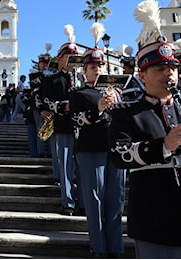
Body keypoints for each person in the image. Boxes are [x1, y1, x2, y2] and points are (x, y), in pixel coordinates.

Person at [108, 38, 181, 258]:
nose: (169, 74)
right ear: (141, 76)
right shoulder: (126, 112)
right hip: (156, 220)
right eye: (160, 69)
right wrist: (164, 145)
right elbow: (118, 155)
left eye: (173, 69)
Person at [70, 47, 126, 257]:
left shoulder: (116, 92)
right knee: (95, 202)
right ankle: (99, 249)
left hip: (115, 150)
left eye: (100, 66)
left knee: (116, 201)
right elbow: (77, 120)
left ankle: (116, 249)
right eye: (93, 66)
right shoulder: (79, 94)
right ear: (85, 71)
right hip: (91, 150)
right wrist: (99, 109)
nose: (98, 69)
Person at [41, 26, 85, 216]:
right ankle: (68, 202)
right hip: (63, 125)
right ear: (60, 60)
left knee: (82, 167)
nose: (72, 59)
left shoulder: (83, 78)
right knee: (66, 166)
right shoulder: (53, 79)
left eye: (74, 55)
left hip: (84, 127)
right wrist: (63, 106)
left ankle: (83, 201)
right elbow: (46, 101)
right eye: (68, 55)